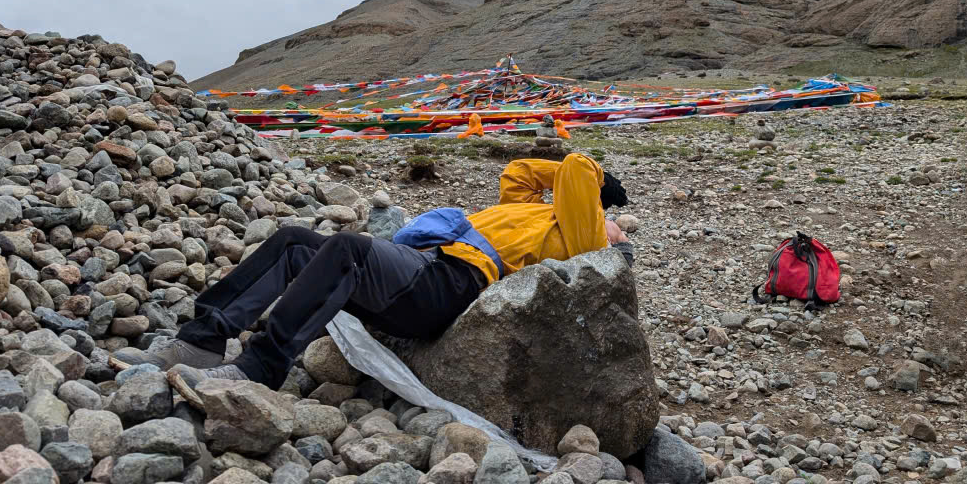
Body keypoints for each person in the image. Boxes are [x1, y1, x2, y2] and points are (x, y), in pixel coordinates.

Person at [138, 153, 629, 404]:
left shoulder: (585, 240)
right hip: (424, 266)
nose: (619, 227)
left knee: (348, 248)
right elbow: (520, 172)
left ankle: (260, 367)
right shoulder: (538, 214)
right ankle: (201, 341)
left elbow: (575, 170)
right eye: (618, 221)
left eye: (620, 231)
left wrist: (598, 180)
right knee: (293, 241)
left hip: (449, 284)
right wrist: (594, 182)